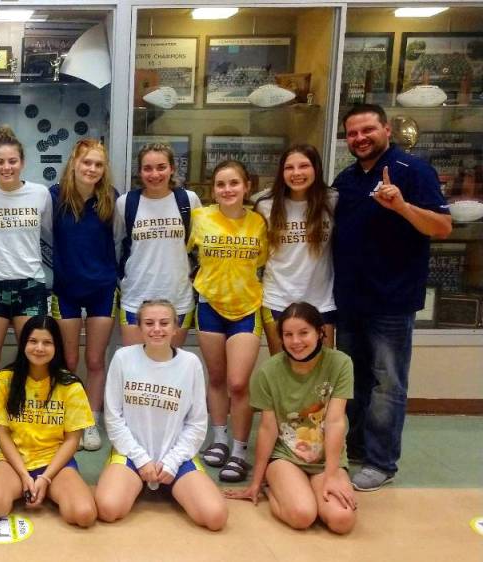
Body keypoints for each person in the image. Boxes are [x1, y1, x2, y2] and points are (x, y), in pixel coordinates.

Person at [332, 104, 451, 491]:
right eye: (352, 133)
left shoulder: (412, 172)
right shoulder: (347, 178)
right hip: (350, 299)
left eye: (367, 130)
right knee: (355, 382)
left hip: (391, 302)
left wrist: (401, 206)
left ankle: (382, 463)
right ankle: (359, 449)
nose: (360, 138)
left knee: (388, 384)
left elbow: (442, 226)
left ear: (386, 129)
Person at [224, 302, 357, 534]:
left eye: (304, 333)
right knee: (302, 516)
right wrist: (255, 482)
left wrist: (333, 474)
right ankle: (271, 487)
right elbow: (267, 429)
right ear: (281, 338)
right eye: (288, 335)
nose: (296, 341)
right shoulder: (269, 372)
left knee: (342, 520)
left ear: (319, 332)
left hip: (325, 460)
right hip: (285, 457)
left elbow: (336, 422)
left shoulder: (340, 363)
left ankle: (310, 488)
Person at [95, 299, 227, 530]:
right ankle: (136, 479)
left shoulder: (190, 363)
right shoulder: (123, 358)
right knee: (108, 508)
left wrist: (173, 462)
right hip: (132, 454)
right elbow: (114, 419)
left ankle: (173, 483)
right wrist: (141, 459)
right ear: (139, 328)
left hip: (176, 455)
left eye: (164, 323)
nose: (157, 329)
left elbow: (196, 423)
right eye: (149, 323)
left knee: (215, 517)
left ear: (176, 328)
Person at [0, 125, 53, 458]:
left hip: (31, 286)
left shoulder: (40, 194)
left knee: (34, 359)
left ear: (22, 162)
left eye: (13, 161)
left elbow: (47, 234)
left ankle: (29, 420)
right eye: (0, 162)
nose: (6, 167)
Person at [0, 315, 97, 528]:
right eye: (33, 341)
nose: (39, 348)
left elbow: (72, 440)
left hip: (55, 464)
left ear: (56, 346)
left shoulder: (70, 385)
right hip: (14, 462)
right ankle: (26, 486)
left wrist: (46, 478)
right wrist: (24, 474)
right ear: (23, 344)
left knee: (84, 515)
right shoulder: (5, 379)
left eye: (47, 342)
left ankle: (45, 489)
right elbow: (1, 432)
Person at [189, 160, 268, 483]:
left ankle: (239, 448)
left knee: (238, 382)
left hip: (246, 308)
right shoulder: (200, 218)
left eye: (234, 183)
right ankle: (219, 438)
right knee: (217, 377)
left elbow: (265, 262)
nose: (227, 190)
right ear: (213, 190)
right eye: (221, 185)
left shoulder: (259, 223)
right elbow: (183, 254)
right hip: (209, 305)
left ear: (246, 186)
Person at [49, 138, 118, 452]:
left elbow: (119, 241)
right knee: (69, 360)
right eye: (86, 162)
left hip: (102, 289)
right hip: (66, 289)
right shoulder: (54, 197)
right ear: (73, 164)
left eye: (98, 164)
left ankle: (90, 420)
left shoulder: (110, 199)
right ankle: (69, 419)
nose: (91, 169)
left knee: (94, 360)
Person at [116, 143, 201, 349]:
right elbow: (117, 245)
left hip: (177, 298)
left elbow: (198, 247)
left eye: (161, 167)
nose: (155, 174)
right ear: (139, 171)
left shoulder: (188, 200)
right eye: (148, 168)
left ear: (172, 168)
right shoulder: (126, 203)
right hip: (135, 297)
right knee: (134, 369)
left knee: (168, 368)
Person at [254, 145, 337, 354]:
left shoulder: (333, 200)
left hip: (321, 300)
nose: (296, 173)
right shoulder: (264, 205)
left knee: (320, 373)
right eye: (289, 167)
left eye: (304, 166)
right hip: (277, 298)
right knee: (282, 370)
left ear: (316, 169)